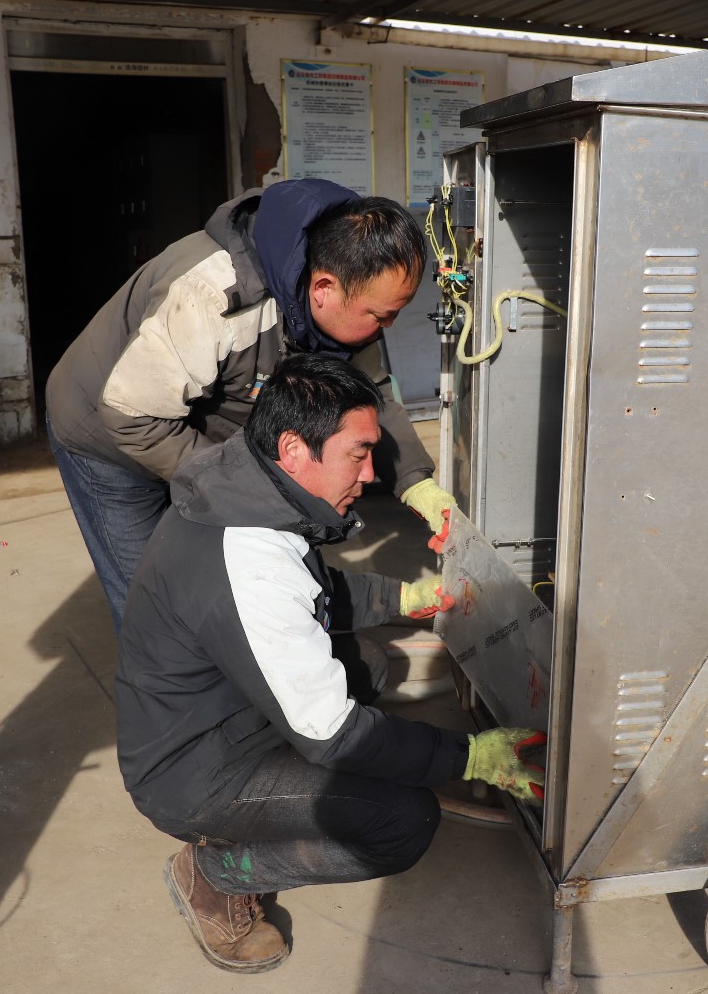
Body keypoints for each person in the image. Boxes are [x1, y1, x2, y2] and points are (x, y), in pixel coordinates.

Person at [114, 353, 544, 973]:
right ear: (295, 449)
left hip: (222, 708)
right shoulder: (250, 560)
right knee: (401, 820)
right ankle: (216, 873)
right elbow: (333, 733)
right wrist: (468, 756)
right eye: (358, 454)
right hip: (192, 771)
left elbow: (310, 586)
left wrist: (403, 598)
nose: (370, 474)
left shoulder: (247, 486)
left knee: (367, 662)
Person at [45, 179, 456, 631]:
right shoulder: (212, 296)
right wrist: (244, 487)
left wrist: (418, 485)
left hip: (194, 430)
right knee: (152, 600)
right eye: (380, 315)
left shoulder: (339, 304)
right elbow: (132, 416)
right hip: (110, 435)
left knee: (233, 578)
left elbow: (369, 395)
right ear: (324, 288)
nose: (388, 327)